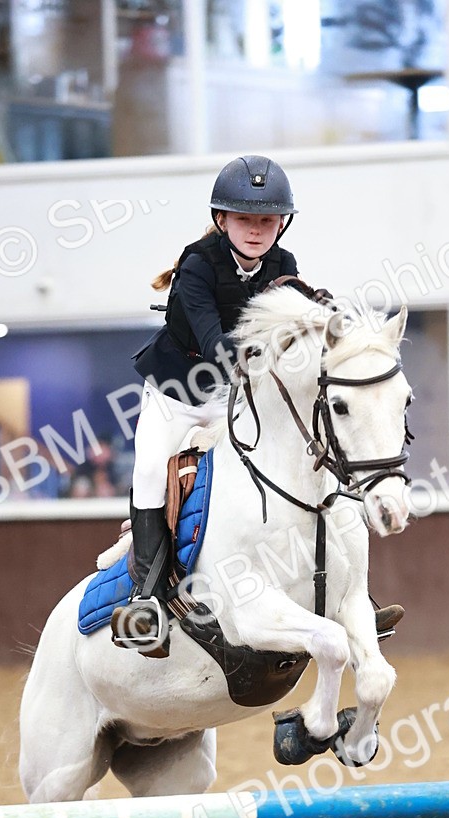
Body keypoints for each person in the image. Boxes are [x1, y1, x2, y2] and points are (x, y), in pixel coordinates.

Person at [113, 153, 403, 656]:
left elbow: (303, 320)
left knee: (313, 451)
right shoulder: (197, 269)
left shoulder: (282, 266)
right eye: (245, 219)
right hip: (179, 393)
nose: (255, 230)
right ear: (222, 220)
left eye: (266, 221)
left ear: (281, 225)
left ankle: (353, 594)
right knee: (148, 472)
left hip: (236, 395)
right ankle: (148, 599)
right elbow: (215, 344)